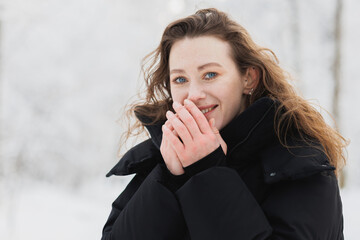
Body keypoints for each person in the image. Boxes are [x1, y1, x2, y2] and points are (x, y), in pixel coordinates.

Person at [101, 8, 347, 240]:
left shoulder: (299, 162)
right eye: (180, 79)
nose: (193, 93)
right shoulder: (164, 158)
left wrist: (207, 170)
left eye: (210, 75)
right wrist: (169, 178)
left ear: (248, 79)